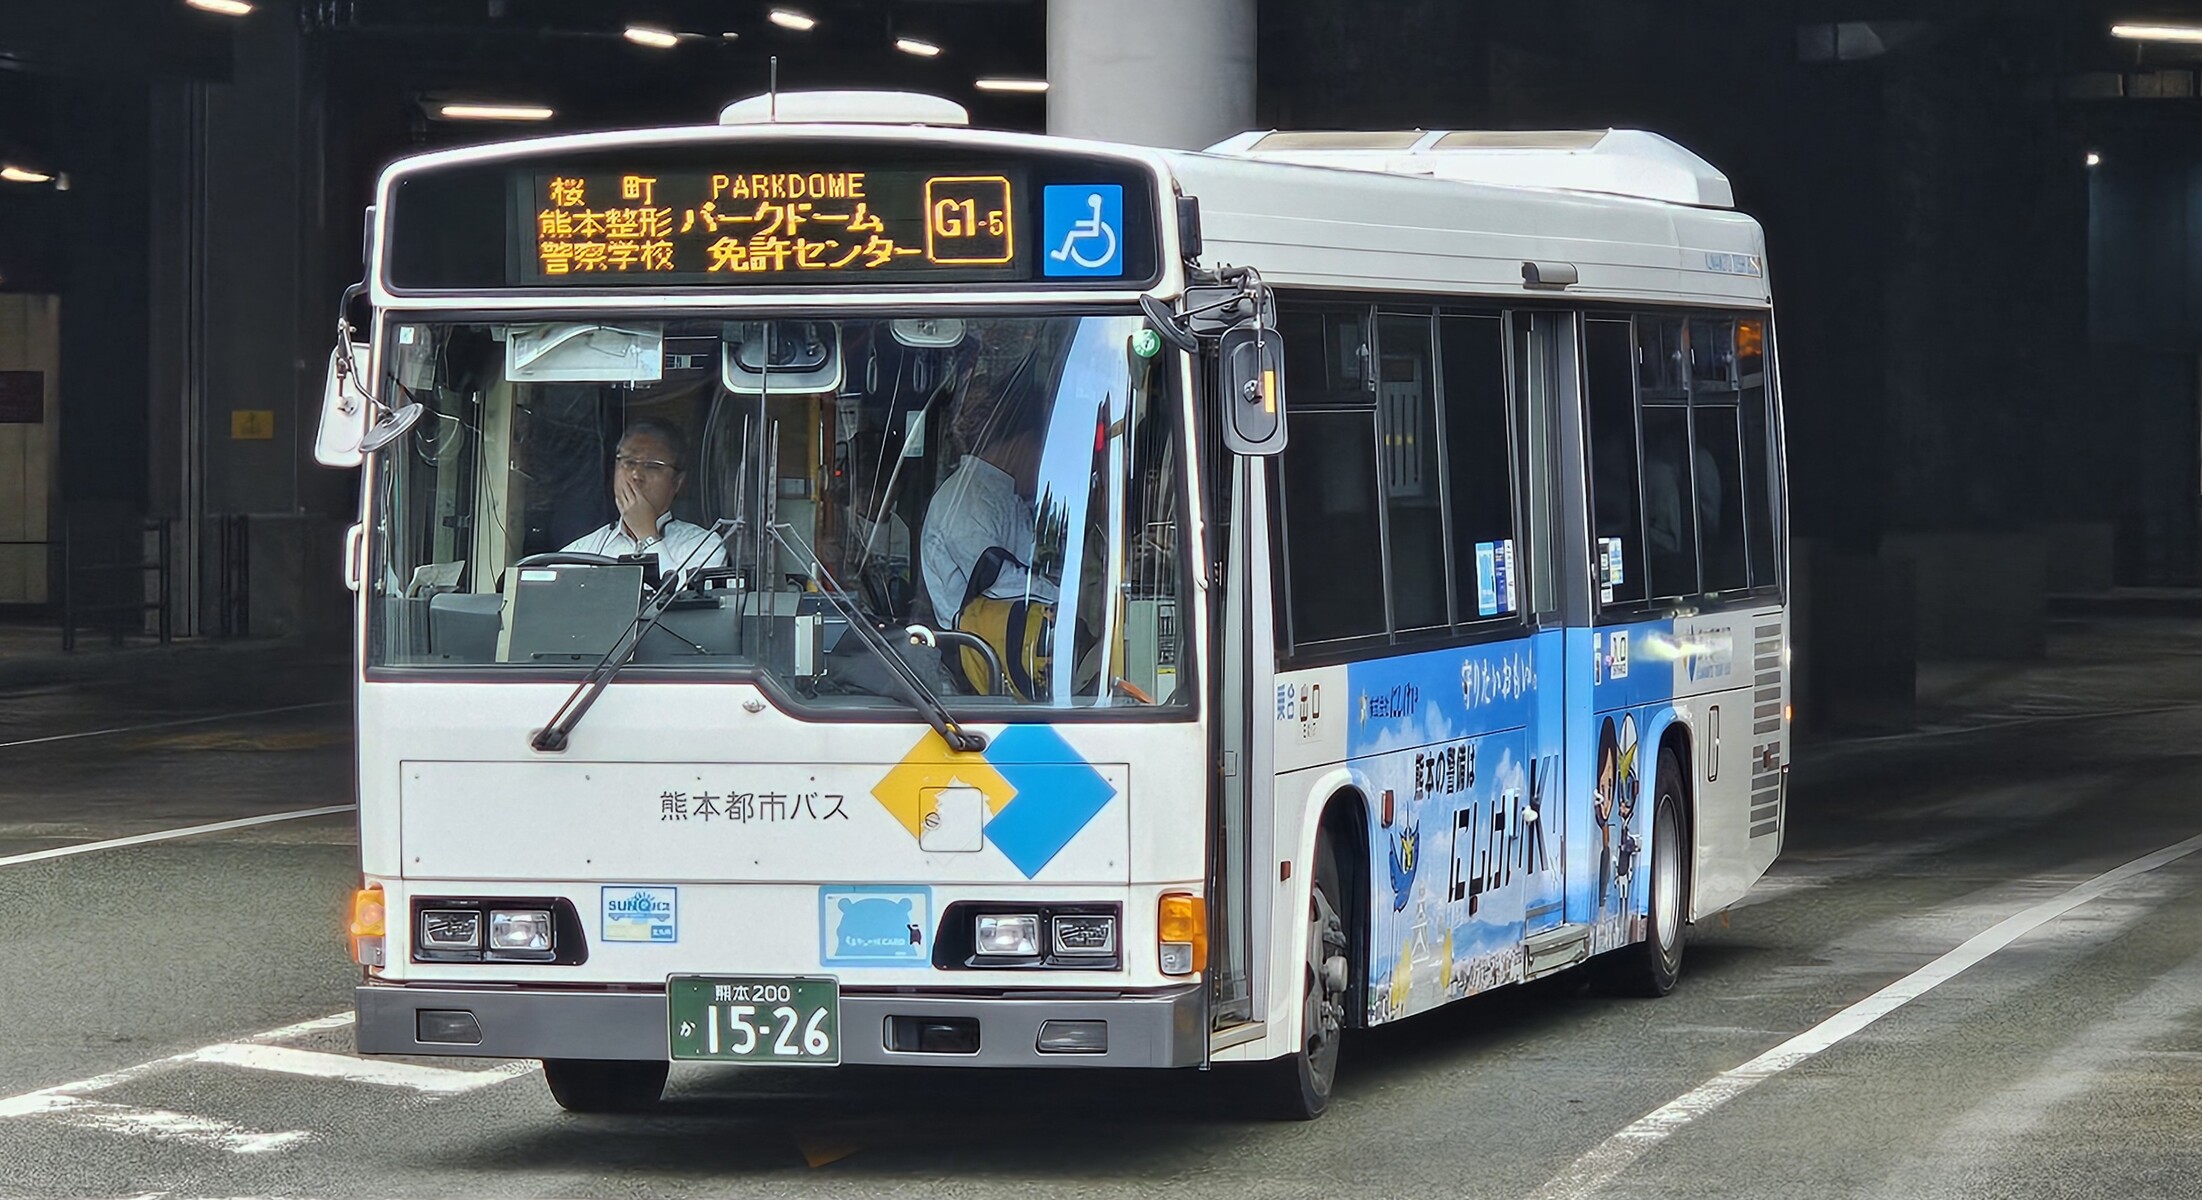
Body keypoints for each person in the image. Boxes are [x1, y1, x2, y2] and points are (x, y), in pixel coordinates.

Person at [562, 418, 726, 578]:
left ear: (677, 482)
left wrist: (647, 536)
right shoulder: (581, 551)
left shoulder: (703, 545)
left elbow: (681, 602)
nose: (636, 475)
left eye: (652, 466)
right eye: (629, 463)